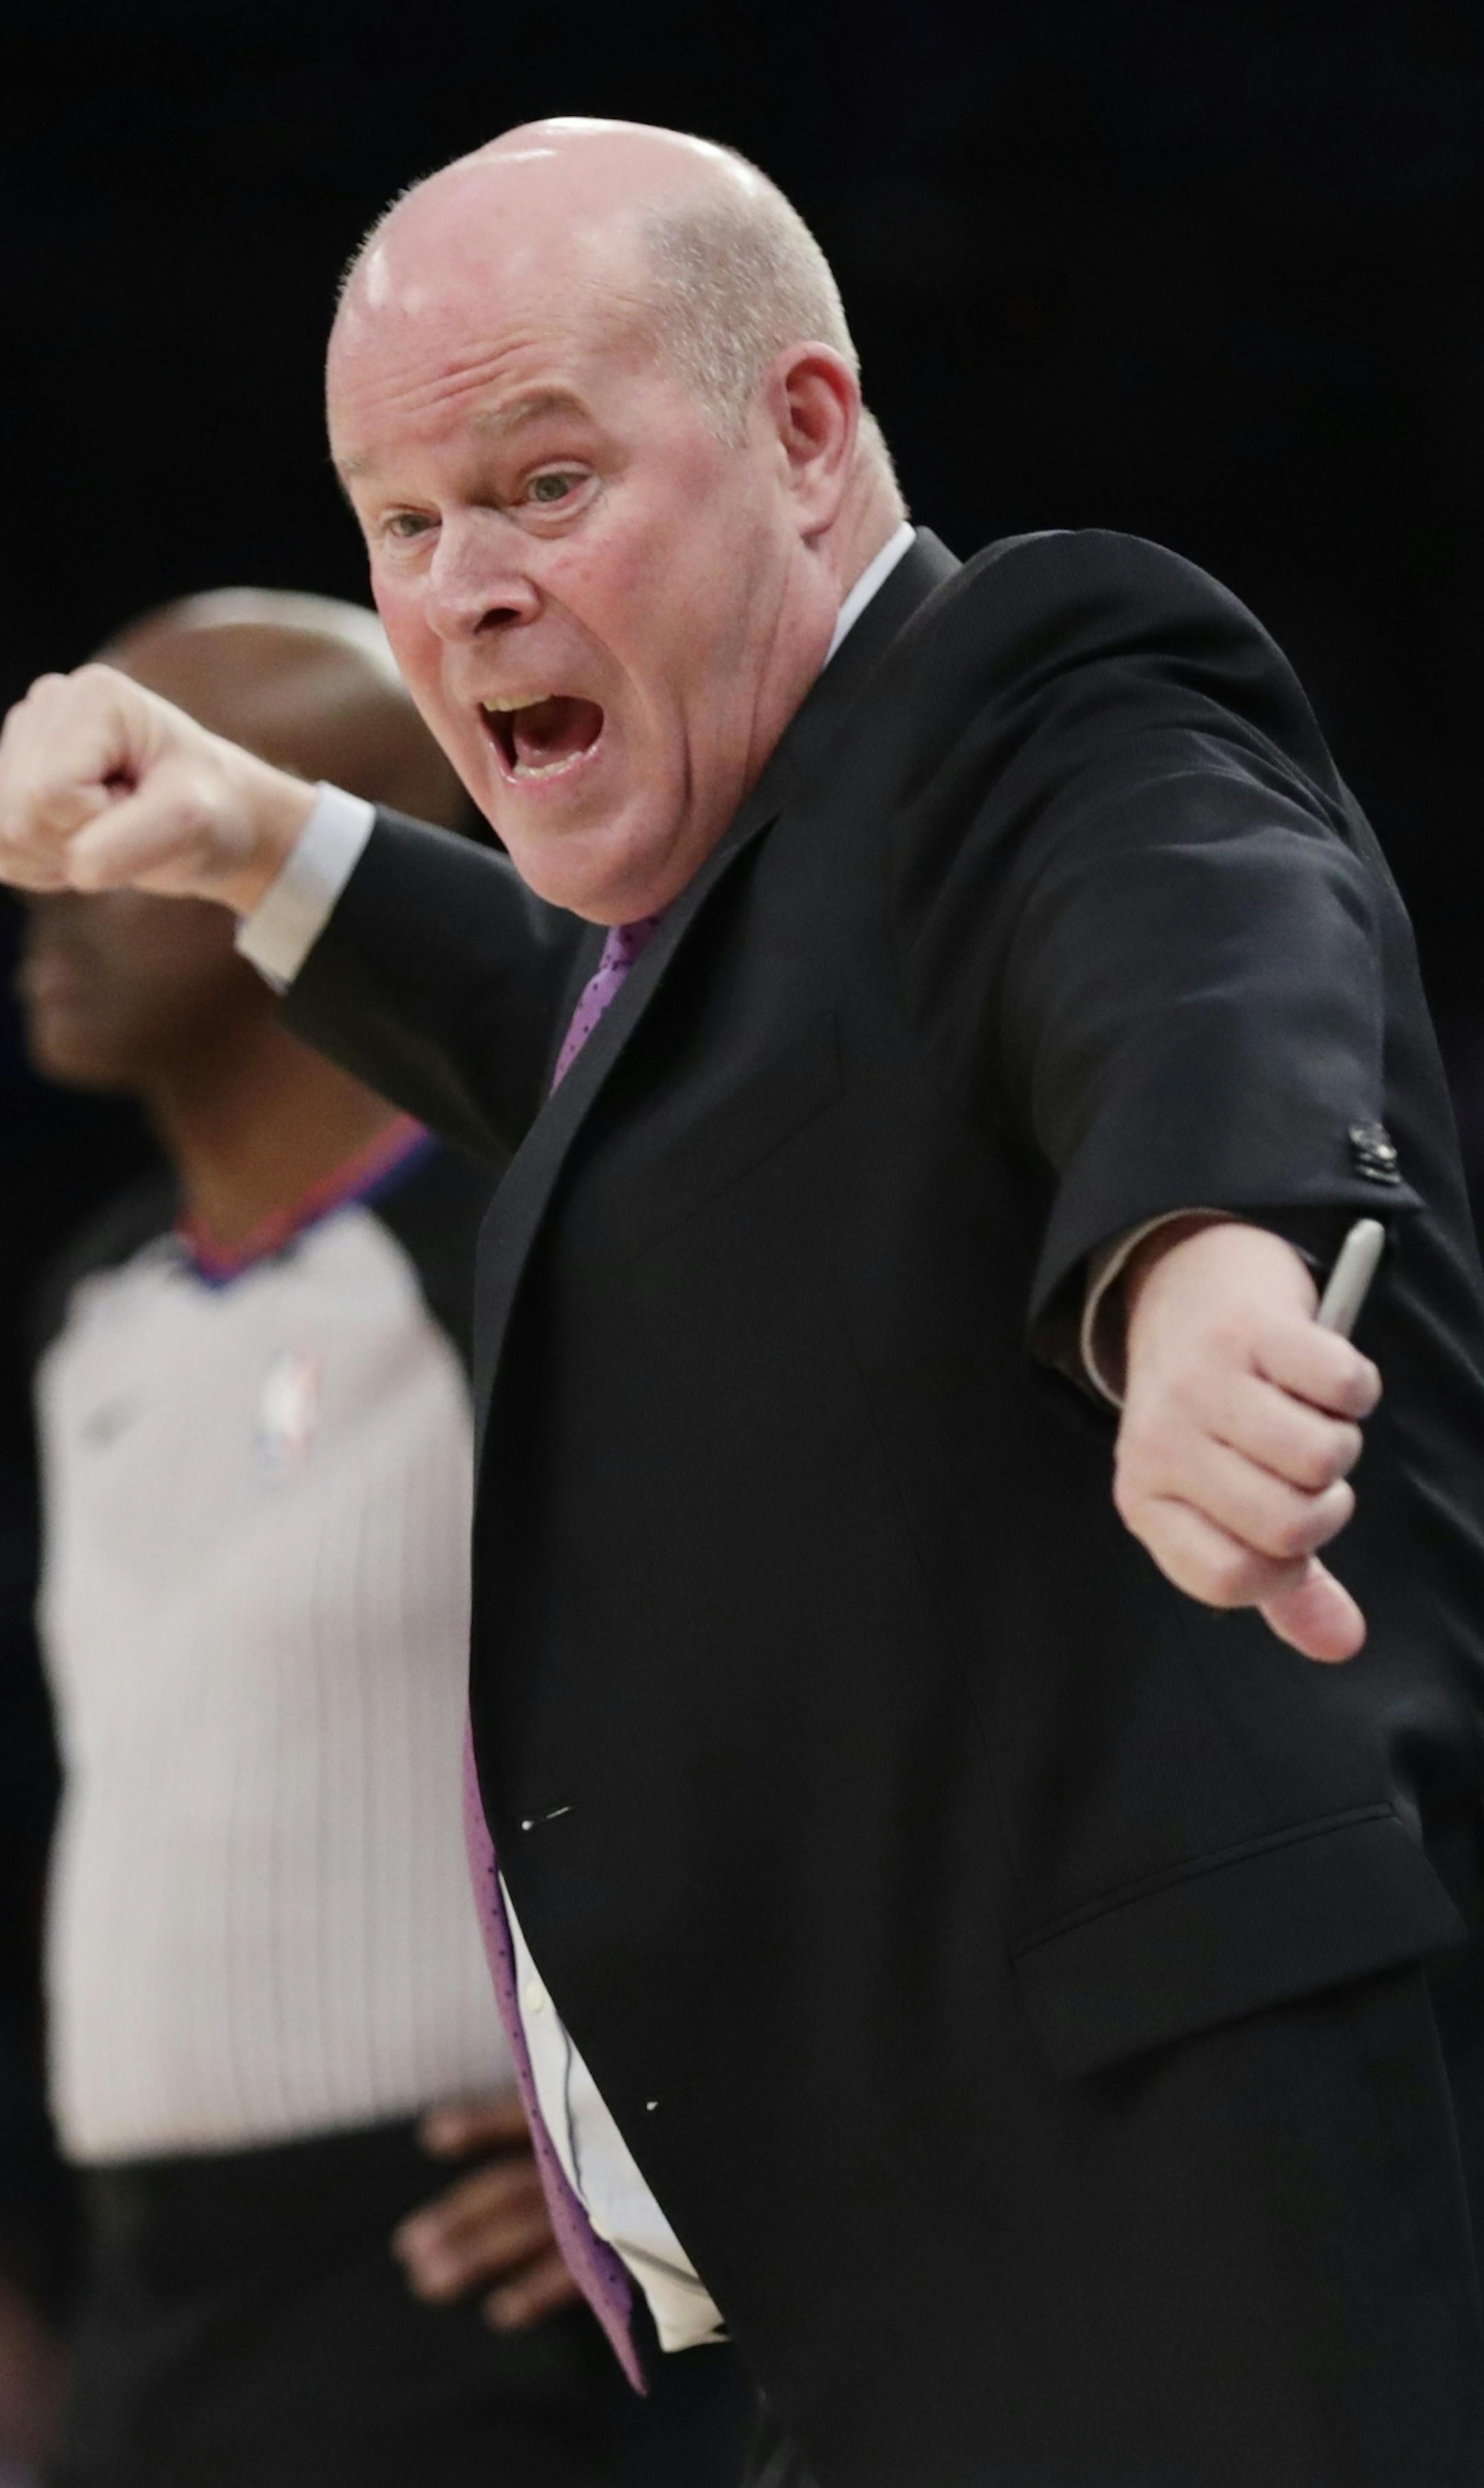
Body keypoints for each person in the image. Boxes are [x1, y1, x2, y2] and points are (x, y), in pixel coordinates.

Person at [2, 118, 1484, 2487]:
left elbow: (1194, 934)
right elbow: (625, 1058)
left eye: (545, 484)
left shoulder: (1038, 678)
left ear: (804, 435)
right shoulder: (747, 928)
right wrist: (255, 831)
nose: (468, 590)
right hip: (902, 2287)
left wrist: (1196, 1262)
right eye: (404, 523)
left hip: (1195, 2235)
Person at [14, 591, 747, 2488]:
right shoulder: (94, 1309)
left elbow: (804, 1695)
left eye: (128, 788)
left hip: (457, 2298)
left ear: (341, 846)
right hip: (146, 2301)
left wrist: (711, 2127)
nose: (46, 874)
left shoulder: (536, 1251)